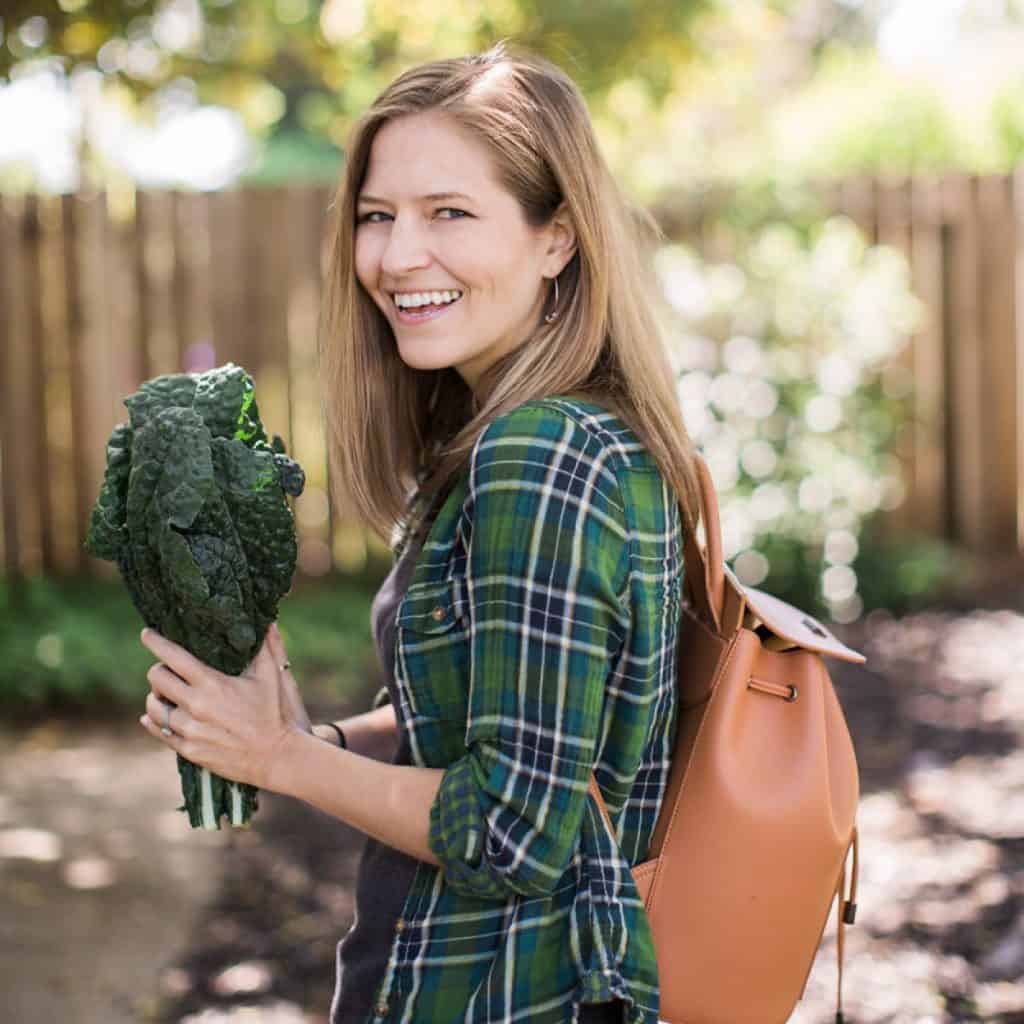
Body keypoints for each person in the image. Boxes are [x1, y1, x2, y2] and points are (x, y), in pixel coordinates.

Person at [138, 40, 705, 1024]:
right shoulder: (530, 436)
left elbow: (513, 828)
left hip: (510, 991)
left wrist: (283, 759)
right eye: (376, 216)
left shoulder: (542, 455)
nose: (398, 256)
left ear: (556, 238)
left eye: (449, 212)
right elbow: (520, 724)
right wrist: (296, 734)